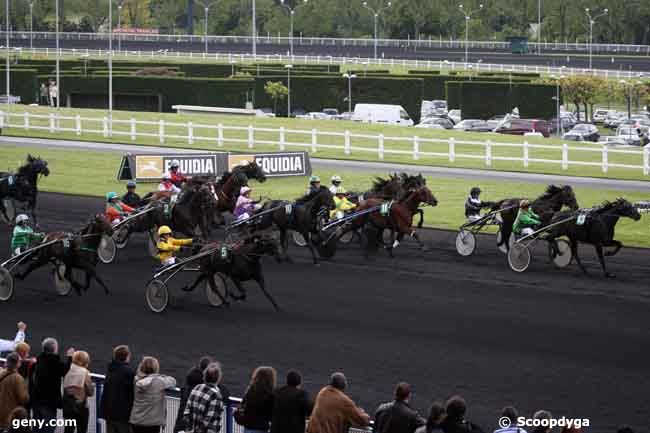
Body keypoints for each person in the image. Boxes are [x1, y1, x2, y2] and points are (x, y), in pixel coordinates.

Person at [175, 356, 231, 433]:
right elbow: (209, 421)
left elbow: (186, 413)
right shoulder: (215, 394)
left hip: (183, 427)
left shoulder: (195, 387)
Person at [30, 338, 74, 433]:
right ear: (54, 349)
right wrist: (70, 357)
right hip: (49, 401)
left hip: (37, 399)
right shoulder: (55, 363)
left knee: (37, 428)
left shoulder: (38, 361)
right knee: (48, 428)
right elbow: (65, 370)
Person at [129, 356, 177, 433]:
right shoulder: (159, 382)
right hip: (152, 423)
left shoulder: (136, 379)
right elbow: (173, 381)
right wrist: (158, 376)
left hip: (136, 420)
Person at [99, 345, 135, 433]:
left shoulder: (110, 369)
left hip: (109, 413)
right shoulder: (129, 372)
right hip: (122, 415)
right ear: (127, 356)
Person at [182, 363, 224, 433]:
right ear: (218, 378)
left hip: (191, 430)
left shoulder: (197, 387)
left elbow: (187, 412)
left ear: (205, 375)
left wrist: (190, 429)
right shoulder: (216, 395)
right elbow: (210, 420)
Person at [62, 351, 94, 433]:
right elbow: (90, 392)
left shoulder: (68, 369)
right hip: (81, 407)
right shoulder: (85, 372)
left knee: (68, 430)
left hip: (68, 405)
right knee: (82, 430)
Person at [239, 366, 276, 433]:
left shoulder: (250, 391)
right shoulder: (271, 395)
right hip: (261, 428)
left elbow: (243, 406)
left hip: (248, 428)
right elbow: (272, 415)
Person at [0, 352, 29, 431]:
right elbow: (23, 398)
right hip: (11, 414)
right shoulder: (18, 378)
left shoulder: (1, 374)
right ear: (17, 364)